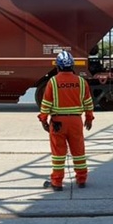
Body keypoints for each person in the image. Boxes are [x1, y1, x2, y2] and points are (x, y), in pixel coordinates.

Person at [38, 49, 95, 191]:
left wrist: (43, 120)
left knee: (58, 154)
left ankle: (56, 183)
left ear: (57, 66)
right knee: (79, 151)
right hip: (76, 122)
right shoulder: (81, 82)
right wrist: (89, 118)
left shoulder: (53, 82)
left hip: (58, 122)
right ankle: (81, 179)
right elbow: (88, 102)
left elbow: (46, 103)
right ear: (72, 66)